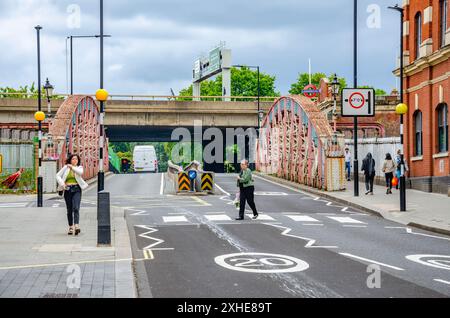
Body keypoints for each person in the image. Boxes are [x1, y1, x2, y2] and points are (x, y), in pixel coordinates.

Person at [56, 154, 88, 235]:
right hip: (68, 189)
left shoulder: (79, 168)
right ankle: (71, 227)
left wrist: (72, 167)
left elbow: (80, 173)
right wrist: (62, 184)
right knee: (69, 209)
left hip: (77, 189)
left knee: (76, 208)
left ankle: (76, 226)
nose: (75, 160)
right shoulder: (65, 167)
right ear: (70, 160)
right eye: (73, 159)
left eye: (76, 159)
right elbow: (57, 175)